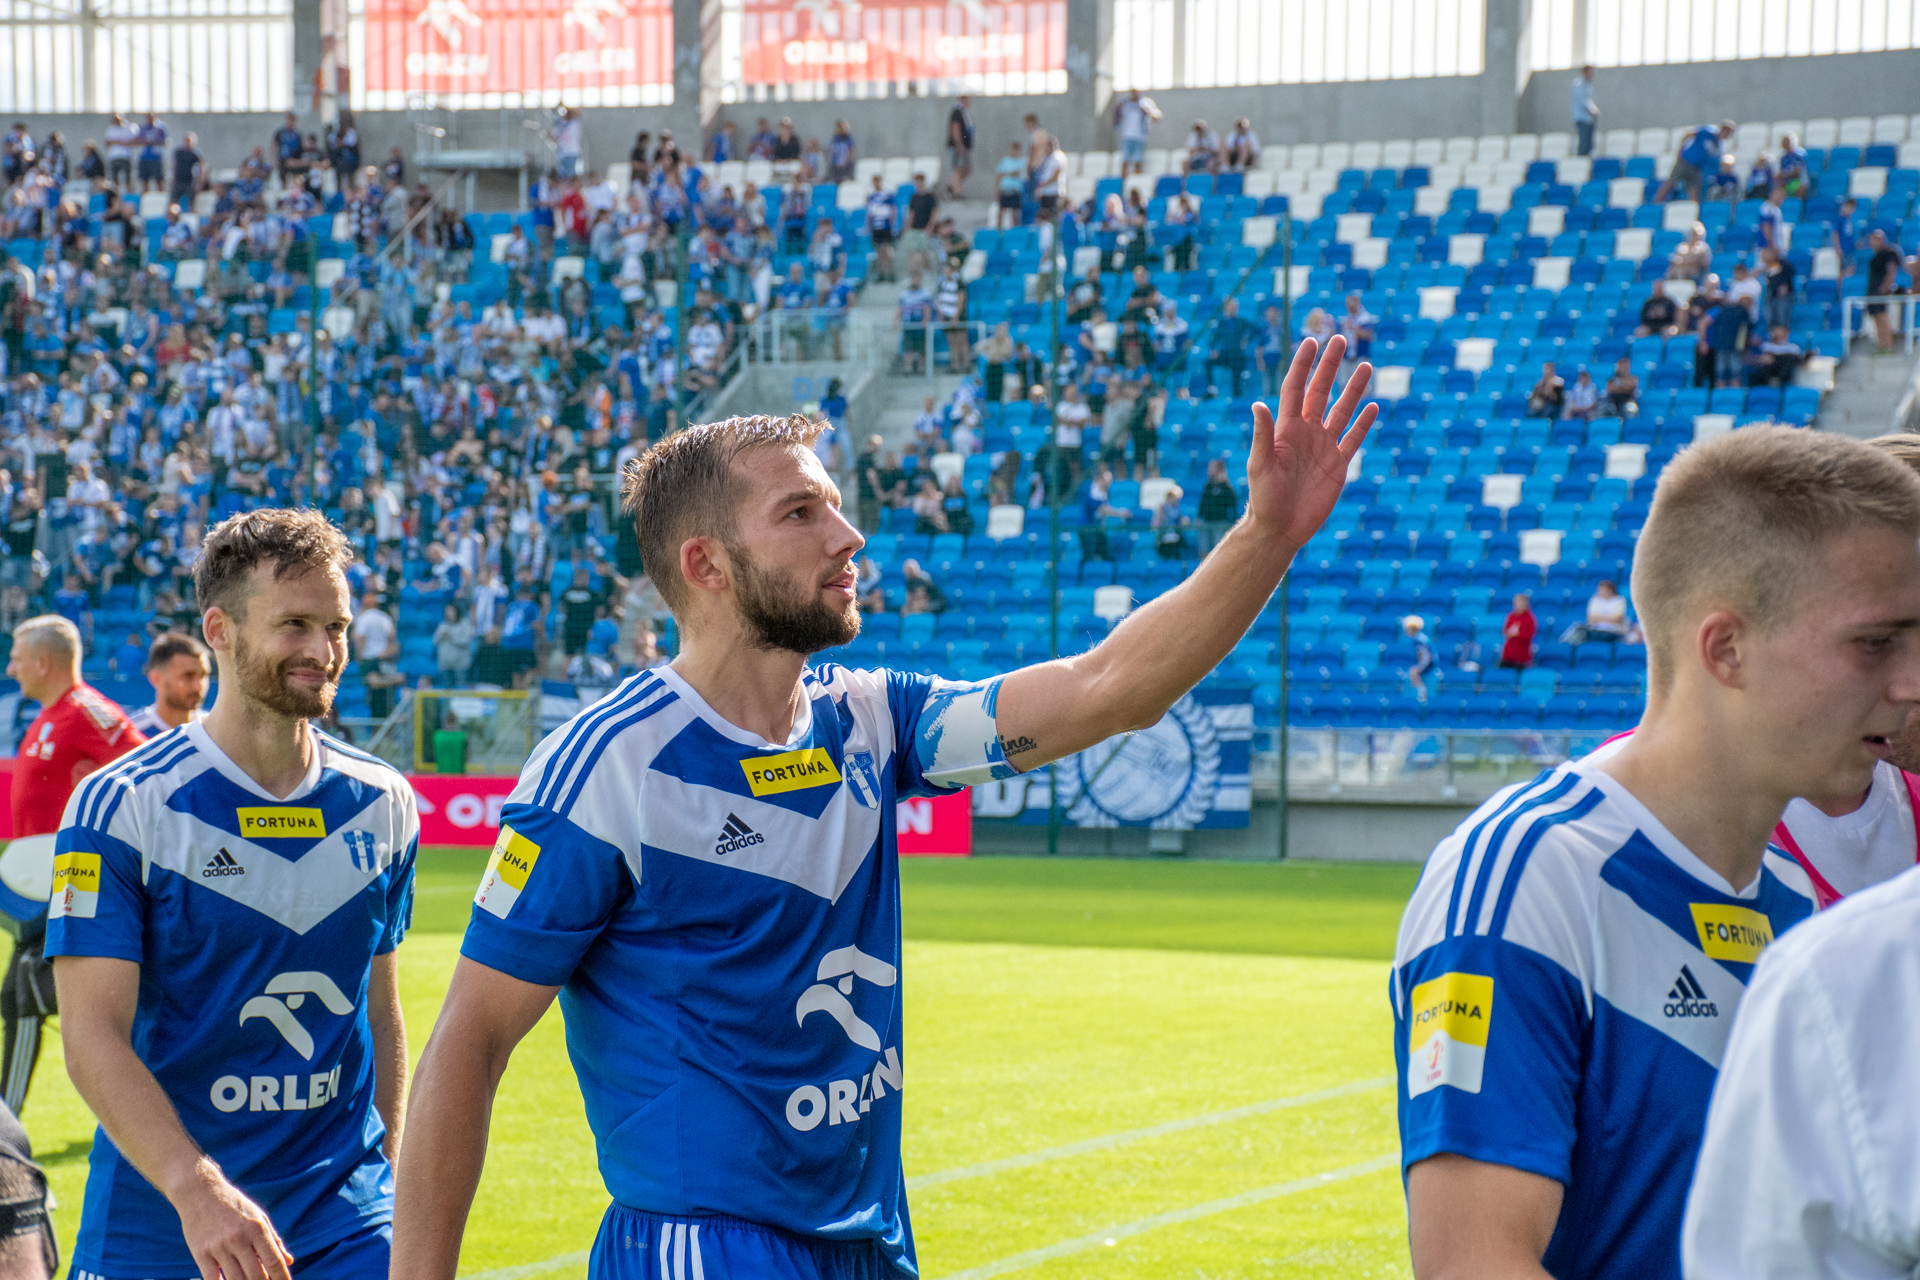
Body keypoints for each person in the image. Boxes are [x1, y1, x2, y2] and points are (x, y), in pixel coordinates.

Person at [390, 338, 1378, 1278]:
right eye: (800, 513)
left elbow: (1109, 688)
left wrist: (1268, 535)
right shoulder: (609, 767)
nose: (849, 536)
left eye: (836, 506)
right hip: (706, 1247)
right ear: (706, 565)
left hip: (870, 1240)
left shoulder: (871, 719)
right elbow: (469, 1043)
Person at [1396, 427, 1920, 1280]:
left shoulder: (1794, 898)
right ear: (1726, 649)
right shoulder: (1527, 874)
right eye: (1874, 643)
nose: (1910, 682)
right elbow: (1470, 1263)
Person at [49, 509, 420, 1280]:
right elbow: (90, 1036)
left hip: (344, 1222)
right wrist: (197, 1189)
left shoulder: (383, 801)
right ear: (218, 630)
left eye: (336, 626)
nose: (323, 651)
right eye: (294, 625)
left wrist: (385, 1176)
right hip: (164, 1221)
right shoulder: (122, 805)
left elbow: (380, 1009)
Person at [2, 615, 146, 1113]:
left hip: (76, 881)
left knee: (29, 993)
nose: (11, 668)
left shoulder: (86, 709)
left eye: (17, 658)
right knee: (18, 998)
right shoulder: (49, 714)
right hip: (39, 883)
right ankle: (8, 1123)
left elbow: (146, 768)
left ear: (43, 662)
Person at [127, 631, 211, 736]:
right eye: (188, 676)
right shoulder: (131, 735)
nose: (198, 687)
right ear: (156, 678)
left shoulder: (217, 733)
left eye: (203, 676)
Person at [1656, 119, 1735, 204]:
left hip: (1696, 168)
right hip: (1686, 162)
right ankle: (1656, 203)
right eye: (1725, 130)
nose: (1725, 133)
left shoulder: (1718, 147)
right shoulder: (1708, 132)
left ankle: (1694, 209)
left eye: (1728, 132)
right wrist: (1680, 150)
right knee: (1670, 183)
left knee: (1694, 190)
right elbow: (1688, 134)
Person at [1866, 228, 1905, 352]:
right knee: (1877, 319)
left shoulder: (1889, 254)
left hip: (1881, 293)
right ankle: (1882, 347)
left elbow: (1891, 271)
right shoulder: (1874, 258)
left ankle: (1887, 346)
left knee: (1882, 318)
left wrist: (1884, 288)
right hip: (1873, 292)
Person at [1112, 88, 1160, 177]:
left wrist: (1147, 110)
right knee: (1124, 162)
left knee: (1138, 162)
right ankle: (1123, 182)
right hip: (1127, 137)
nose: (1134, 94)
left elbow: (1157, 117)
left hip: (1140, 138)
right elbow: (1116, 117)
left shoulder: (1145, 102)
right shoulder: (1124, 103)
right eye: (1132, 92)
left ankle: (1137, 181)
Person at [1196, 459, 1239, 557]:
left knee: (1218, 550)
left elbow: (1233, 505)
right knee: (1203, 547)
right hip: (1207, 522)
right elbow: (1203, 503)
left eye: (1212, 468)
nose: (1209, 470)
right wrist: (1199, 517)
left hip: (1221, 523)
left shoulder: (1227, 488)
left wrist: (1233, 522)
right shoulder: (1208, 486)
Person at [945, 94, 974, 197]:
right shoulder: (957, 112)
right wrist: (959, 144)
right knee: (957, 168)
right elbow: (955, 128)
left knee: (966, 169)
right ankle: (957, 192)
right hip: (959, 146)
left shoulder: (964, 113)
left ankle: (952, 186)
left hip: (964, 146)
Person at [1401, 614, 1434, 703]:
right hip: (1425, 663)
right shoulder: (1416, 639)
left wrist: (1419, 668)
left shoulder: (1420, 640)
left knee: (1413, 672)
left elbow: (1426, 657)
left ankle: (1422, 692)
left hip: (1430, 664)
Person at [1499, 593, 1536, 669]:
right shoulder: (1511, 616)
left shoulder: (1529, 619)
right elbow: (1505, 631)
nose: (1518, 605)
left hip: (1521, 656)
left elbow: (1527, 635)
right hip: (1508, 655)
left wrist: (1515, 634)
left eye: (1520, 602)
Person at [995, 140, 1025, 230]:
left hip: (1015, 190)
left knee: (1014, 214)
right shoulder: (1005, 161)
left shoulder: (1022, 161)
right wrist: (997, 188)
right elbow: (999, 175)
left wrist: (1007, 174)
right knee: (1001, 212)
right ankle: (999, 232)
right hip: (1005, 190)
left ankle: (1014, 231)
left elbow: (1017, 173)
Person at [1570, 64, 1599, 157]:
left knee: (1590, 145)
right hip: (1581, 119)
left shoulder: (1588, 85)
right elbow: (1584, 101)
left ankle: (1587, 161)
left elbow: (1589, 100)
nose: (1592, 75)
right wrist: (1593, 110)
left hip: (1589, 119)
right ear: (1584, 73)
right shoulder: (1578, 84)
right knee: (1584, 144)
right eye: (1590, 73)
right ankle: (1581, 161)